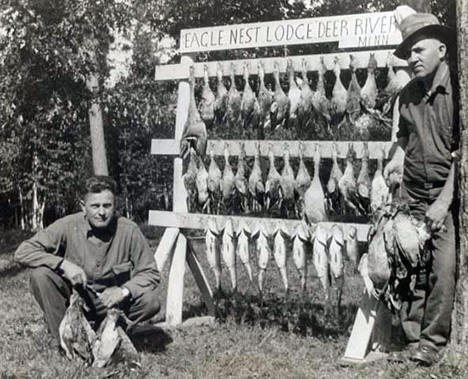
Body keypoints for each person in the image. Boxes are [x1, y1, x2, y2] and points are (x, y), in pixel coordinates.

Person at [383, 7, 458, 366]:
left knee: (442, 269)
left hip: (445, 195)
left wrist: (444, 202)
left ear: (441, 50)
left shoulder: (459, 93)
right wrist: (396, 160)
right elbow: (402, 139)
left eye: (418, 50)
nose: (411, 59)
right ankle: (411, 336)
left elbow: (463, 154)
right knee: (409, 265)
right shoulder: (408, 95)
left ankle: (433, 341)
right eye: (408, 53)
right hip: (411, 193)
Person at [15, 176, 161, 349]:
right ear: (83, 206)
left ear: (115, 205)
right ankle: (63, 341)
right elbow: (23, 252)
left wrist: (123, 291)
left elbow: (150, 273)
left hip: (113, 307)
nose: (101, 212)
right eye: (95, 206)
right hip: (77, 303)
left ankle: (111, 335)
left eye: (107, 206)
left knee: (150, 301)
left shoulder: (129, 230)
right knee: (40, 275)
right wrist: (64, 265)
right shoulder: (67, 226)